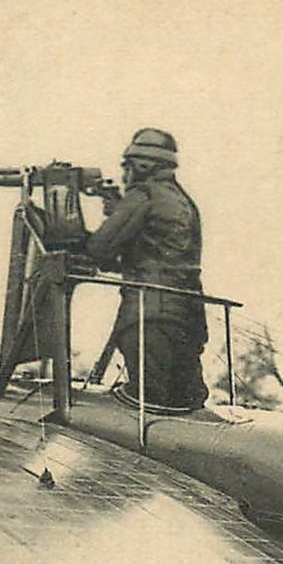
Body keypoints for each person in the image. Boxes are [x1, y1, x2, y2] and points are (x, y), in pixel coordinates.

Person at [85, 127, 208, 410]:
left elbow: (99, 250)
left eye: (126, 168)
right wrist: (120, 210)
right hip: (187, 317)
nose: (125, 175)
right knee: (184, 404)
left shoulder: (144, 195)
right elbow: (157, 253)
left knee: (143, 405)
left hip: (150, 316)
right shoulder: (182, 200)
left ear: (141, 166)